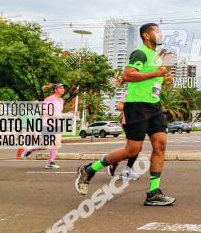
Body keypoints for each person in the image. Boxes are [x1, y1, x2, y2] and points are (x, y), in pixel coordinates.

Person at [75, 23, 175, 205]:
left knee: (160, 146)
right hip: (137, 106)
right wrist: (155, 74)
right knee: (132, 150)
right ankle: (89, 169)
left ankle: (154, 193)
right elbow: (128, 75)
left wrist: (166, 80)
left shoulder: (156, 56)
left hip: (154, 106)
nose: (160, 34)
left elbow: (153, 79)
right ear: (146, 35)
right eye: (156, 31)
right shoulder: (140, 53)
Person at [21, 83, 68, 169]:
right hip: (47, 124)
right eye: (60, 88)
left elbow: (59, 113)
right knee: (44, 145)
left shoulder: (61, 100)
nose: (63, 89)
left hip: (58, 125)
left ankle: (50, 162)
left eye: (63, 88)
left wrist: (68, 115)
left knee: (57, 144)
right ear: (55, 90)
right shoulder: (50, 99)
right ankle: (29, 150)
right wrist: (53, 115)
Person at [110, 90, 139, 180]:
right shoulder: (131, 91)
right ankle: (127, 170)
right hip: (130, 123)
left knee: (134, 148)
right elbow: (119, 106)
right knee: (134, 148)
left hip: (139, 123)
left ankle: (116, 161)